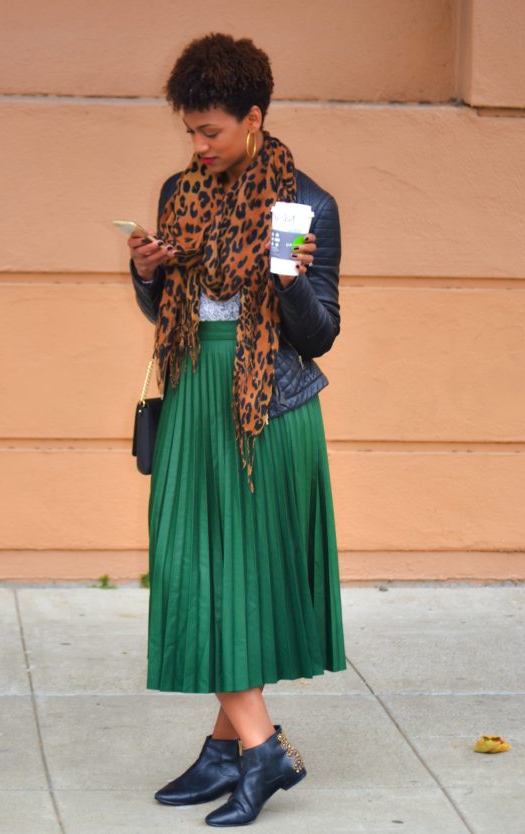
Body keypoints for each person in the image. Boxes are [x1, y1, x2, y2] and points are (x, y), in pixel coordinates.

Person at [127, 32, 346, 828]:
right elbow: (167, 312)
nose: (198, 145)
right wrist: (146, 273)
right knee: (195, 567)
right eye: (190, 131)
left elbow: (319, 333)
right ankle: (235, 749)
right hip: (194, 395)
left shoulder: (305, 206)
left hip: (269, 410)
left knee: (238, 575)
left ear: (253, 118)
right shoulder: (179, 193)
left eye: (211, 130)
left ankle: (255, 750)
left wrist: (286, 279)